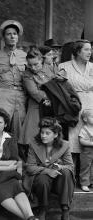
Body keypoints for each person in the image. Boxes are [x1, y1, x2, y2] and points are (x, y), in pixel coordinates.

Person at [0, 108, 38, 220]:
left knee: (15, 186)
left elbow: (14, 160)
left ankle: (30, 216)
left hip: (7, 174)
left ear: (5, 124)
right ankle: (29, 219)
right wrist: (11, 167)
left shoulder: (11, 138)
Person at [23, 117, 74, 220]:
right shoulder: (34, 144)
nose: (43, 136)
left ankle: (65, 208)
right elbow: (29, 167)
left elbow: (70, 166)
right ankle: (43, 208)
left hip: (58, 181)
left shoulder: (64, 145)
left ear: (55, 135)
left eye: (47, 133)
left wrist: (60, 166)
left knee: (66, 172)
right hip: (41, 182)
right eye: (42, 132)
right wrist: (48, 170)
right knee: (43, 179)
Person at [59, 39, 93, 180]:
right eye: (86, 49)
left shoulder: (92, 67)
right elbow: (58, 88)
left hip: (91, 106)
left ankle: (88, 178)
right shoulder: (64, 66)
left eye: (90, 49)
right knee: (74, 141)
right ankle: (71, 177)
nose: (89, 52)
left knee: (90, 139)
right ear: (77, 52)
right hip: (73, 106)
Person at [0, 20, 27, 143]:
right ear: (4, 37)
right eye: (9, 34)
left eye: (15, 34)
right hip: (3, 94)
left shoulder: (24, 56)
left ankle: (14, 158)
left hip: (20, 96)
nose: (12, 36)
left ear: (18, 37)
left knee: (18, 129)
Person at [22, 48, 55, 145]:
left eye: (36, 64)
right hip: (36, 105)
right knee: (33, 134)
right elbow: (34, 92)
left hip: (52, 105)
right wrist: (50, 96)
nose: (33, 68)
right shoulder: (27, 74)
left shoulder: (49, 68)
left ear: (41, 60)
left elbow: (57, 84)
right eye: (30, 65)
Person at [78, 109, 93, 192]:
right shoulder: (84, 129)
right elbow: (81, 141)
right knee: (85, 167)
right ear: (85, 119)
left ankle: (92, 182)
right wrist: (91, 143)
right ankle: (84, 183)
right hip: (87, 153)